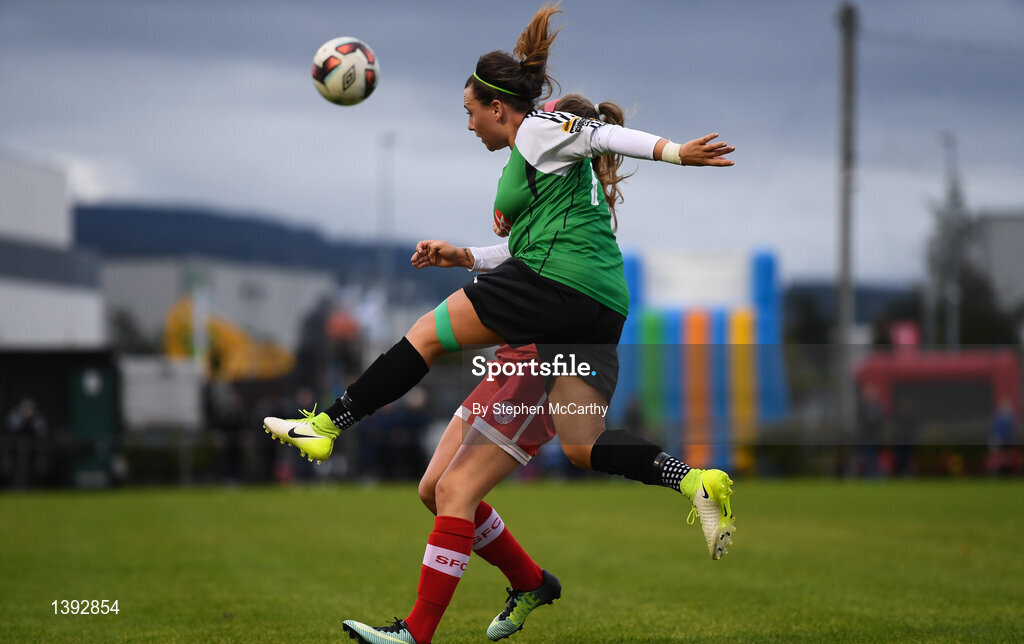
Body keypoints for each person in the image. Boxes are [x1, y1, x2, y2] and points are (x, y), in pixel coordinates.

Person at [263, 6, 736, 643]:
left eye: (469, 111)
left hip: (556, 296)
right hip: (595, 307)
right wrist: (464, 256)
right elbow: (520, 248)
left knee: (429, 344)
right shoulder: (533, 168)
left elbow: (598, 137)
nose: (467, 123)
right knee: (574, 445)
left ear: (497, 107)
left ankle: (327, 425)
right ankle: (695, 483)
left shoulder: (540, 129)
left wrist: (675, 152)